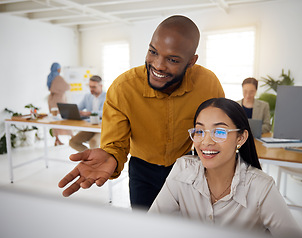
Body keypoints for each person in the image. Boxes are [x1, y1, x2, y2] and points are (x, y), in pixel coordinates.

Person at [58, 15, 225, 210]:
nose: (158, 65)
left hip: (188, 167)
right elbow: (116, 144)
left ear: (191, 61)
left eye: (172, 59)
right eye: (153, 52)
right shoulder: (123, 88)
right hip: (142, 170)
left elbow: (220, 130)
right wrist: (110, 156)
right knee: (145, 225)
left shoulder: (208, 84)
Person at [148, 98, 302, 238]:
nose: (206, 141)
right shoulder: (182, 169)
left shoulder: (261, 187)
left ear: (241, 138)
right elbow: (151, 227)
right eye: (200, 131)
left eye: (220, 131)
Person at [69, 75, 106, 152]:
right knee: (73, 142)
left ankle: (93, 160)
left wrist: (89, 113)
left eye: (94, 87)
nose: (91, 89)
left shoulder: (107, 96)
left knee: (93, 142)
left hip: (102, 127)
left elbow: (105, 113)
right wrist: (73, 111)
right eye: (90, 87)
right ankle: (89, 156)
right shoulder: (87, 96)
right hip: (90, 126)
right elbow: (78, 108)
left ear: (101, 86)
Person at [47, 62, 72, 146]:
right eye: (59, 68)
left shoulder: (50, 77)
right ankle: (72, 137)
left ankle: (57, 139)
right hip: (59, 100)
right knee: (65, 118)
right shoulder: (58, 78)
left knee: (54, 120)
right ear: (58, 69)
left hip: (52, 100)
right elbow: (67, 87)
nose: (60, 69)